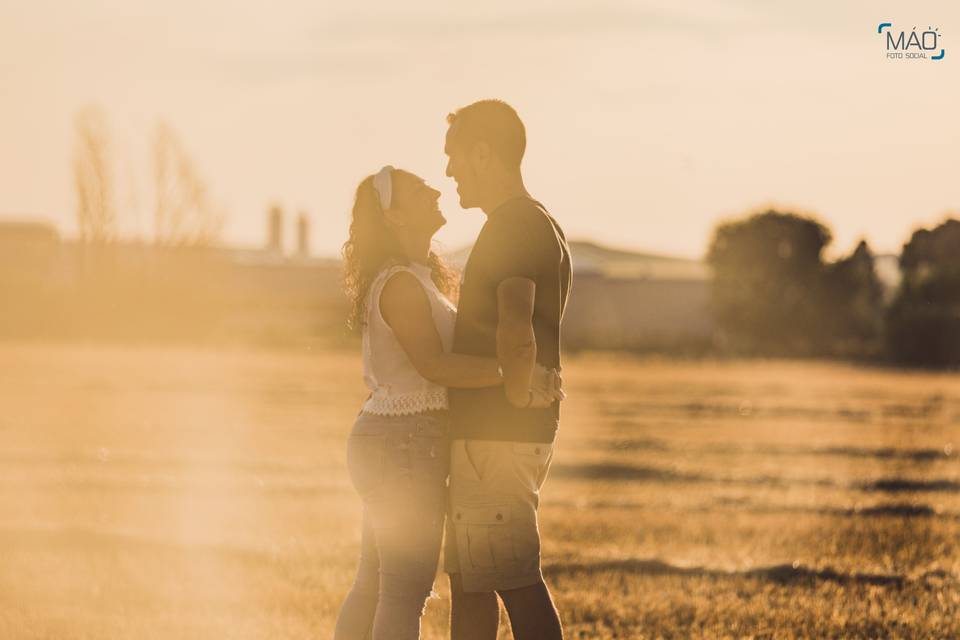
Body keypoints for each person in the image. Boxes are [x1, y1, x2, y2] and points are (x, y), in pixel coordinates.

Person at [333, 165, 563, 640]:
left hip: (393, 440)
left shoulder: (415, 277)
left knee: (375, 584)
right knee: (401, 592)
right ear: (394, 216)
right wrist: (511, 376)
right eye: (420, 191)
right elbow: (434, 364)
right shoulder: (399, 284)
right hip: (404, 445)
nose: (437, 188)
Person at [443, 99, 572, 640]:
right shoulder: (537, 221)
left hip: (497, 435)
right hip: (496, 436)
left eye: (453, 158)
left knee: (515, 581)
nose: (449, 172)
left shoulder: (512, 226)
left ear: (482, 152)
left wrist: (515, 393)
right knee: (473, 582)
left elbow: (516, 322)